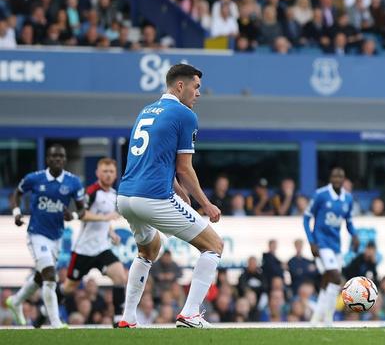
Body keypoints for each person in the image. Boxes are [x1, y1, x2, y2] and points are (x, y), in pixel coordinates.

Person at [116, 63, 223, 329]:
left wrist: (180, 191)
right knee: (214, 245)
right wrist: (205, 203)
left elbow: (157, 160)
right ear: (180, 86)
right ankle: (190, 314)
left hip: (126, 197)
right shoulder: (185, 115)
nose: (198, 93)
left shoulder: (147, 110)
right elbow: (184, 168)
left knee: (149, 249)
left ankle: (128, 318)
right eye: (196, 87)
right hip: (153, 197)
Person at [6, 144, 86, 328]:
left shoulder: (72, 182)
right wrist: (17, 212)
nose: (57, 159)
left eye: (61, 157)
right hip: (36, 234)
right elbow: (16, 194)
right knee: (50, 276)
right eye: (54, 156)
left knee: (41, 277)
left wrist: (72, 216)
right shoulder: (35, 179)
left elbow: (82, 208)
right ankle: (56, 323)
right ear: (47, 160)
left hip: (57, 236)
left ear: (65, 160)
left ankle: (16, 300)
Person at [64, 157, 128, 322]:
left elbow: (103, 220)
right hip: (84, 250)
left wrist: (111, 232)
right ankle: (44, 311)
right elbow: (83, 215)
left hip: (102, 248)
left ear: (115, 175)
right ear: (97, 173)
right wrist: (106, 217)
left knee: (120, 277)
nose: (108, 175)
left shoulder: (114, 194)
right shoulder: (91, 192)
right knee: (68, 288)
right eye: (105, 171)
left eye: (111, 172)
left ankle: (118, 319)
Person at [304, 166, 359, 324]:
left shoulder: (347, 198)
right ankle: (325, 318)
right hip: (321, 242)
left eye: (340, 177)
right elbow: (306, 218)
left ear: (343, 179)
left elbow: (348, 222)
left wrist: (354, 235)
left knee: (328, 280)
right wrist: (311, 241)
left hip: (336, 244)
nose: (337, 180)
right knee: (335, 276)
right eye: (334, 176)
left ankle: (320, 319)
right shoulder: (320, 195)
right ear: (330, 178)